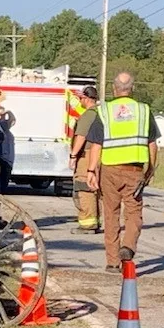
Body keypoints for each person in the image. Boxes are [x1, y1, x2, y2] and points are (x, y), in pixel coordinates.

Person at [86, 72, 161, 274]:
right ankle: (128, 246)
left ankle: (112, 262)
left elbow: (96, 145)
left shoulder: (105, 112)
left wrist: (91, 170)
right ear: (132, 88)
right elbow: (152, 143)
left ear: (113, 88)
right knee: (134, 212)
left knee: (111, 214)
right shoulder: (144, 111)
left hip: (109, 170)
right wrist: (151, 168)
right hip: (134, 170)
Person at [69, 86, 101, 234]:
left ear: (86, 99)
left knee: (84, 187)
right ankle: (95, 220)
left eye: (80, 98)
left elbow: (81, 136)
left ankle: (87, 224)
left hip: (87, 154)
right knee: (95, 188)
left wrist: (73, 155)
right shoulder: (101, 113)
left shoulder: (88, 115)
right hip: (98, 154)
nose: (79, 101)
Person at [0, 105, 16, 194]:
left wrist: (7, 112)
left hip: (7, 160)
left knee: (2, 187)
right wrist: (6, 113)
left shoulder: (3, 126)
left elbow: (12, 119)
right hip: (1, 159)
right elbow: (12, 119)